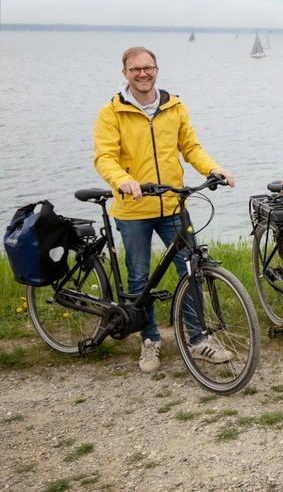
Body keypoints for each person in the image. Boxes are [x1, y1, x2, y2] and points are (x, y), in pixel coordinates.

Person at [93, 47, 235, 373]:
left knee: (191, 270)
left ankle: (198, 340)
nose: (143, 74)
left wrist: (214, 169)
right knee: (140, 279)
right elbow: (104, 157)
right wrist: (123, 180)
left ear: (157, 69)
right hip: (133, 207)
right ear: (125, 73)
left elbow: (191, 148)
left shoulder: (174, 106)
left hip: (172, 204)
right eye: (135, 69)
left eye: (148, 68)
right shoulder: (111, 113)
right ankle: (150, 340)